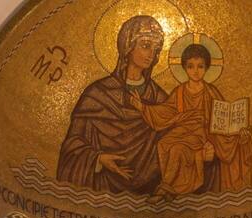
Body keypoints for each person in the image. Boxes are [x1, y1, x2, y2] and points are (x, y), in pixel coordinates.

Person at [56, 16, 169, 194]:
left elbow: (177, 140)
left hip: (152, 195)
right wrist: (98, 159)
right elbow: (73, 145)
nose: (151, 55)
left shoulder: (159, 98)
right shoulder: (97, 94)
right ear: (128, 47)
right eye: (146, 46)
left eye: (156, 50)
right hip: (102, 190)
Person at [138, 43, 252, 194]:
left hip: (201, 134)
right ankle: (168, 189)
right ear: (185, 68)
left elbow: (224, 121)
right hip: (181, 131)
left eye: (200, 66)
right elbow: (166, 111)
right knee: (164, 143)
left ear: (206, 68)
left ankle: (166, 188)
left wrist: (239, 134)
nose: (196, 71)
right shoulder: (179, 91)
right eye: (191, 66)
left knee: (178, 149)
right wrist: (143, 108)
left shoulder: (211, 92)